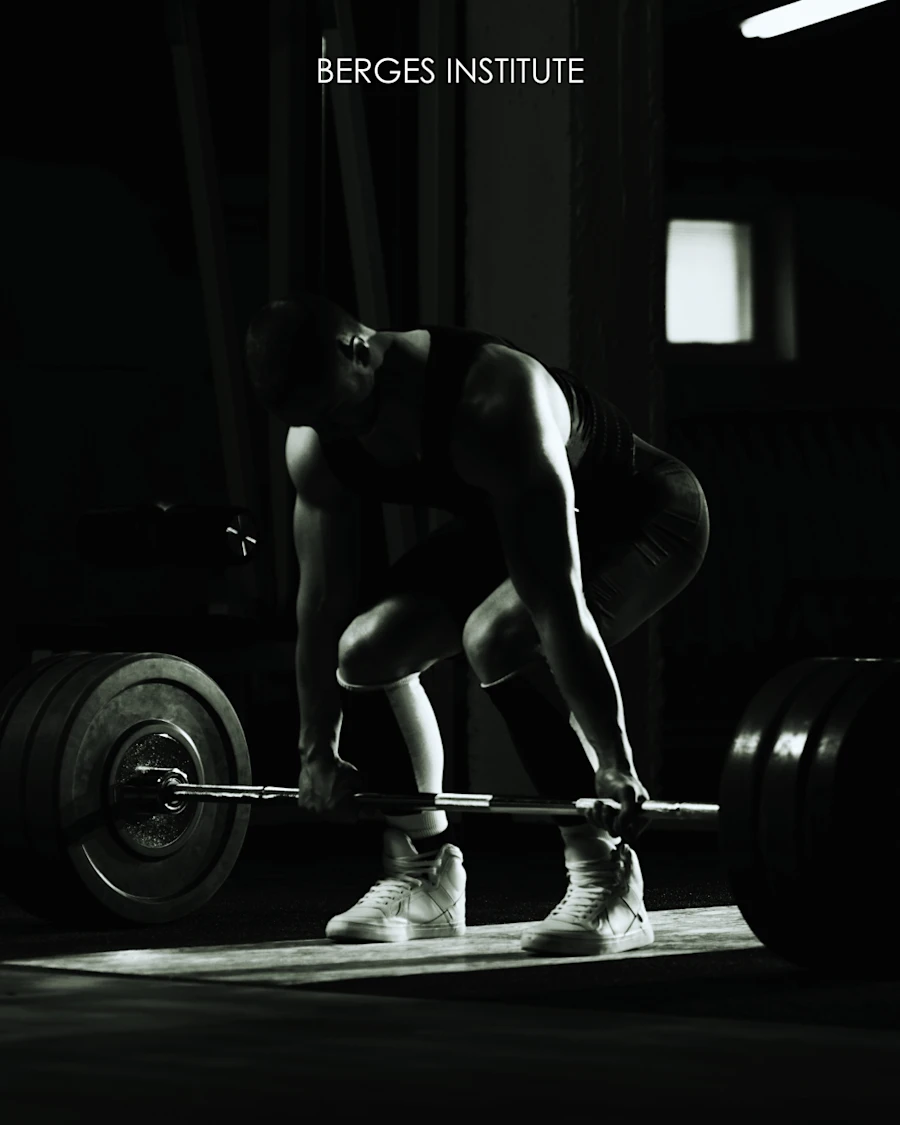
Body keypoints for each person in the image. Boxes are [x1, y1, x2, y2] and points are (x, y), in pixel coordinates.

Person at [244, 294, 709, 956]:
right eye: (316, 421)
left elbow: (555, 602)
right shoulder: (317, 442)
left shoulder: (492, 397)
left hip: (641, 517)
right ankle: (426, 871)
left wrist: (614, 760)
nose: (339, 431)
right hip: (516, 524)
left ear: (359, 349)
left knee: (498, 635)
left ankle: (608, 873)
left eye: (339, 410)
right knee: (364, 650)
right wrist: (316, 744)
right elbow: (318, 605)